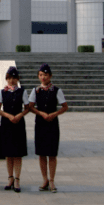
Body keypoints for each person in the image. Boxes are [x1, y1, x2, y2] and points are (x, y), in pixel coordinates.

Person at [28, 63, 68, 193]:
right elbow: (30, 107)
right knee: (41, 154)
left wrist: (54, 114)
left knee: (52, 153)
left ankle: (52, 180)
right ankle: (44, 179)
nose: (43, 77)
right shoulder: (36, 90)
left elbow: (64, 106)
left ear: (50, 76)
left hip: (52, 124)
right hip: (40, 124)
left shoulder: (57, 90)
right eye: (41, 75)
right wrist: (41, 113)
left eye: (45, 75)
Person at [0, 66, 30, 193]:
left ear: (17, 79)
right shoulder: (2, 92)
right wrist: (8, 115)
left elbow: (27, 108)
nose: (11, 80)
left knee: (17, 154)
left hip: (18, 124)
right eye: (9, 78)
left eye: (14, 78)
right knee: (8, 153)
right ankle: (10, 178)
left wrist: (20, 115)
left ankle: (17, 179)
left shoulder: (22, 92)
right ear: (6, 79)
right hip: (7, 123)